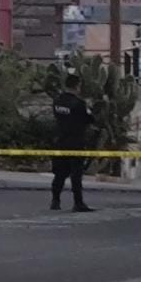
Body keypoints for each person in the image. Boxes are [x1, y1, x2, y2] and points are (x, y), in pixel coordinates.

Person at [51, 74, 95, 212]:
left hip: (60, 140)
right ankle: (78, 202)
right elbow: (89, 119)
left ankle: (55, 200)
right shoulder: (79, 103)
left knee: (60, 173)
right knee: (76, 174)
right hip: (76, 142)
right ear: (77, 86)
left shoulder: (57, 101)